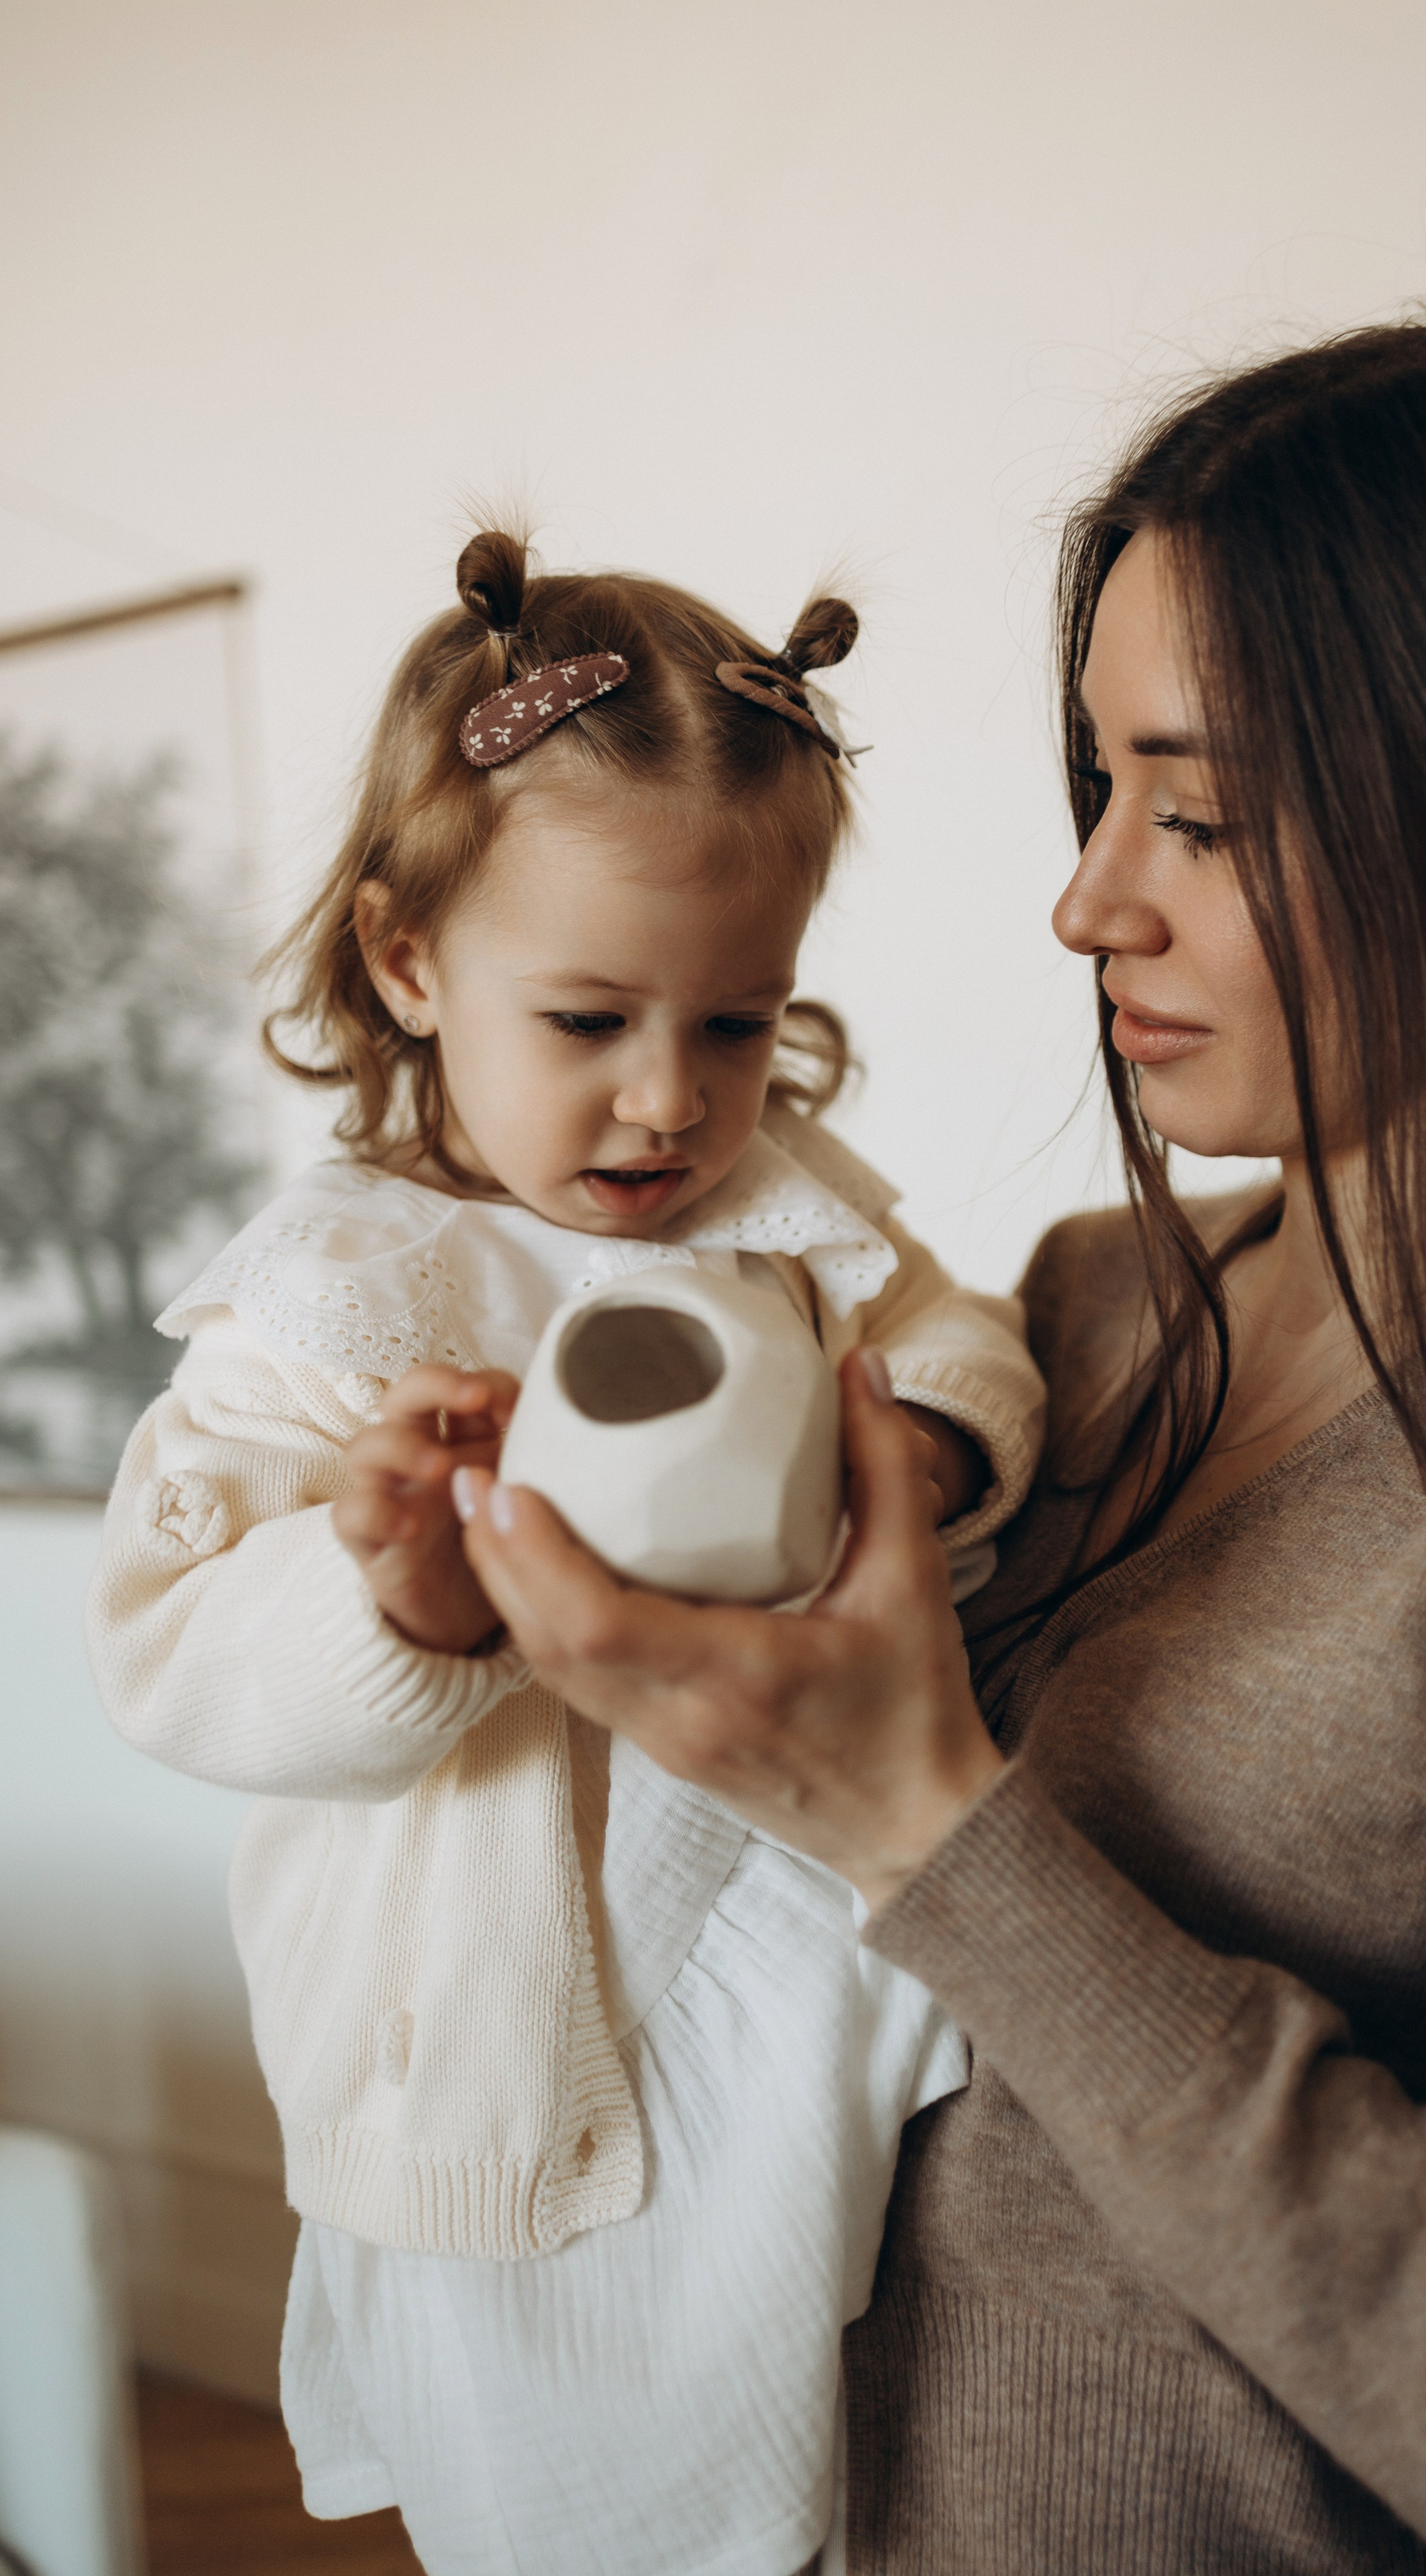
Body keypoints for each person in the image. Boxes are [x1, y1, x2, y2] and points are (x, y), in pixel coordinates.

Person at [443, 301, 1426, 2576]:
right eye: (1101, 785)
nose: (1086, 900)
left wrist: (932, 1819)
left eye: (1203, 815)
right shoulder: (1078, 1319)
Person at [86, 533, 1046, 2576]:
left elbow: (953, 1328)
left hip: (791, 1979)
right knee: (571, 2485)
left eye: (737, 1024)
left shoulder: (785, 1209)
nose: (669, 1101)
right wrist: (397, 1602)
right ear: (410, 963)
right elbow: (172, 1650)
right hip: (521, 2050)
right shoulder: (336, 1299)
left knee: (846, 2439)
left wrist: (942, 1440)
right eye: (594, 1017)